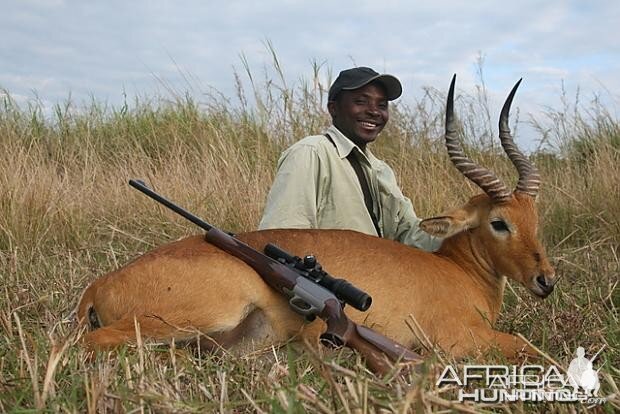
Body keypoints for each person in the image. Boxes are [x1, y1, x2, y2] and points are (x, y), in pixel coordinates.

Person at [258, 66, 441, 252]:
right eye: (361, 102)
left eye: (382, 105)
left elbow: (408, 234)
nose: (374, 112)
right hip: (326, 277)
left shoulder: (381, 170)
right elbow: (281, 239)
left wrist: (464, 229)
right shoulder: (311, 152)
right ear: (333, 108)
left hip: (376, 276)